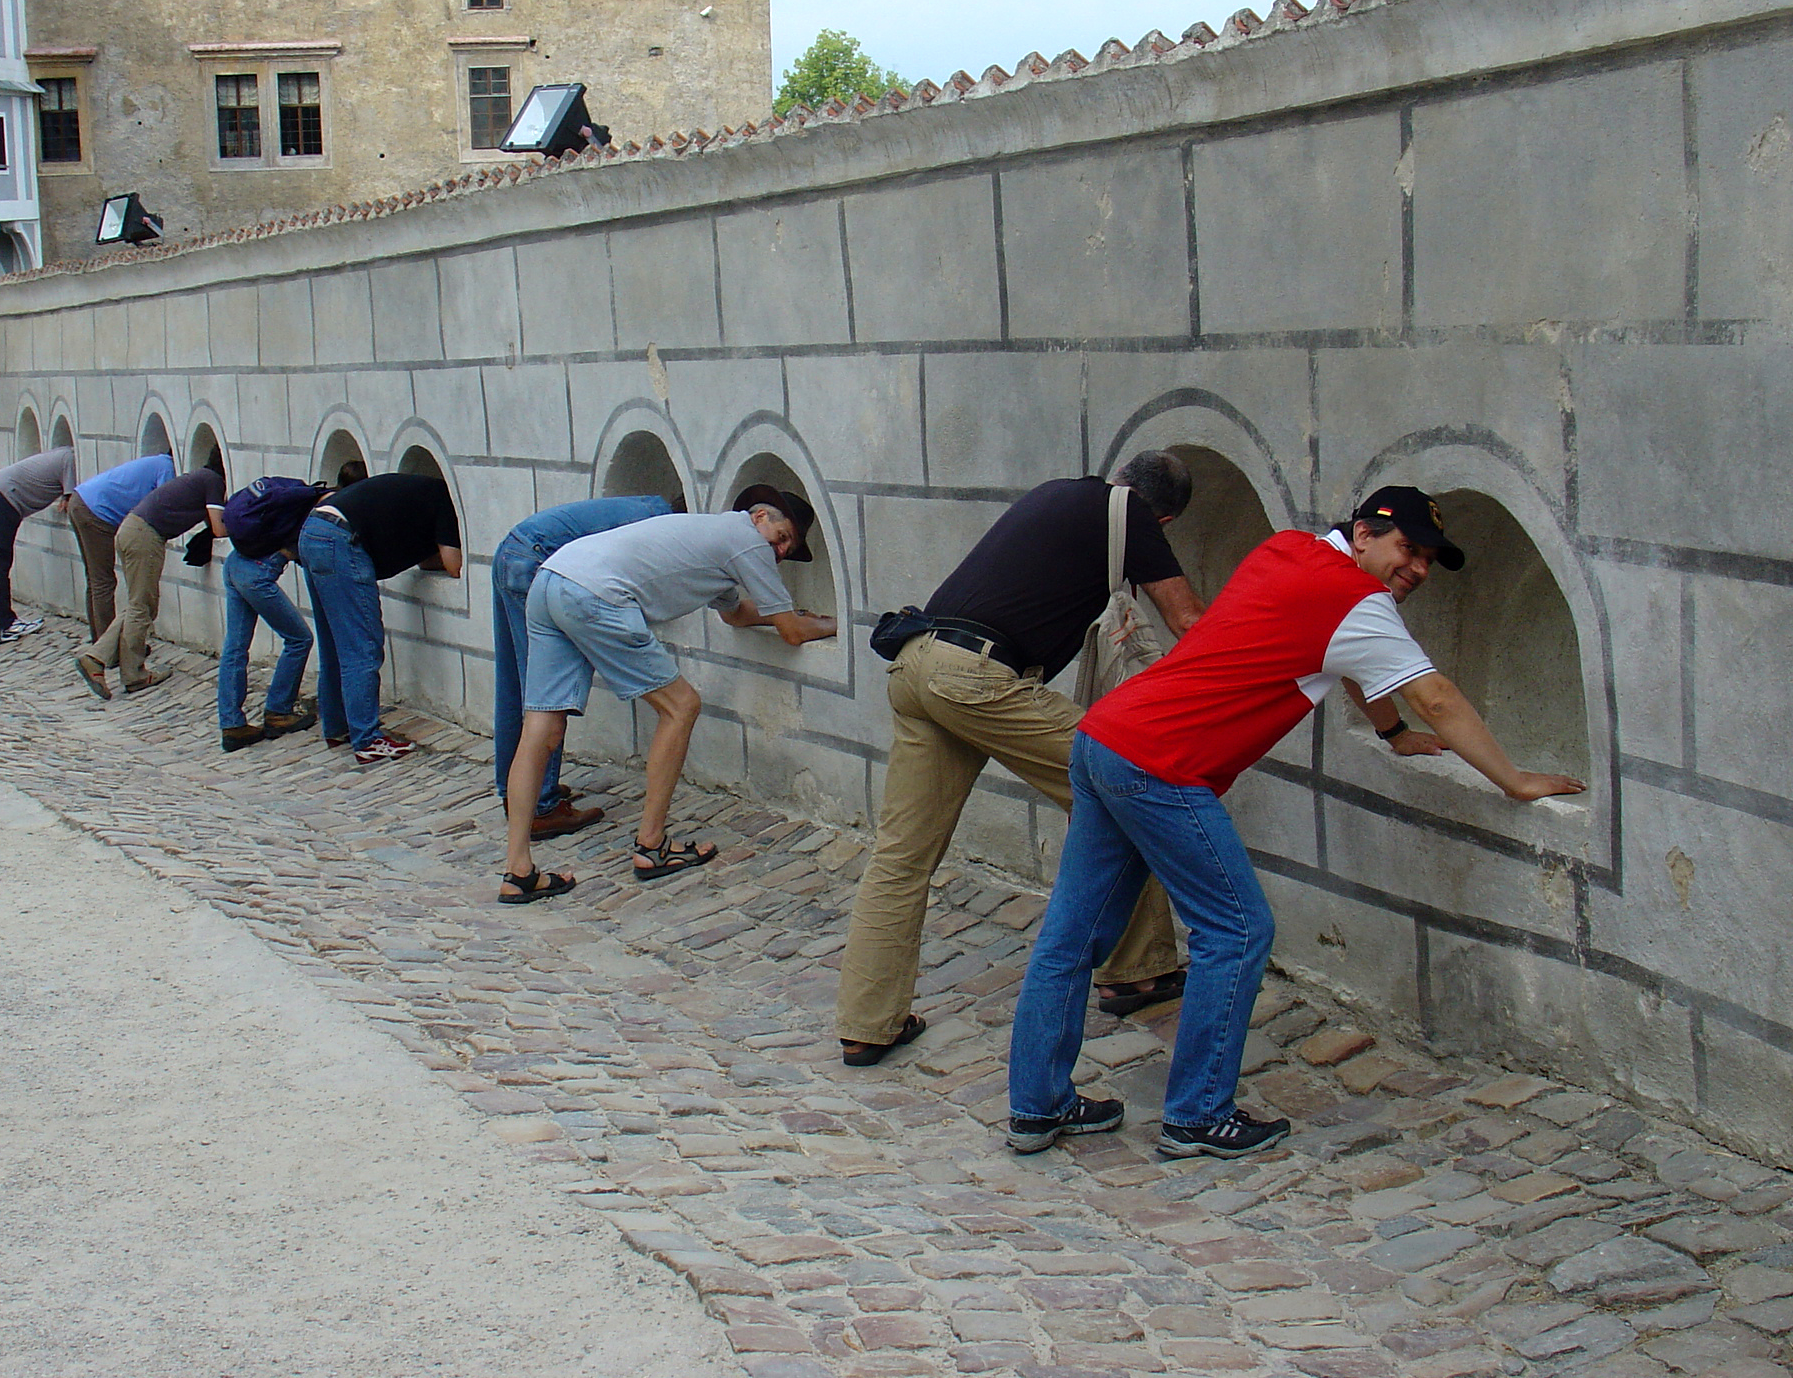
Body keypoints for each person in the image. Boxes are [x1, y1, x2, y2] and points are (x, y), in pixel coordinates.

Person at [1005, 486, 1586, 1159]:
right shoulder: (1358, 600)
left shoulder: (1289, 550)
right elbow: (1436, 697)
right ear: (1364, 534)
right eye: (1408, 549)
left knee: (1072, 936)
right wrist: (1515, 780)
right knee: (1237, 930)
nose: (1419, 568)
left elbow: (1350, 659)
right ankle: (1197, 1117)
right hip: (1161, 764)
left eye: (1429, 559)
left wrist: (1391, 731)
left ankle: (1036, 1107)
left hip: (1105, 739)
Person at [834, 454, 1206, 1067]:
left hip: (918, 661)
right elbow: (1188, 618)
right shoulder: (1130, 515)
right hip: (976, 677)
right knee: (1128, 780)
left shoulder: (1058, 493)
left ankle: (867, 1024)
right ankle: (1136, 970)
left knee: (901, 857)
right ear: (1163, 518)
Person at [499, 486, 837, 905]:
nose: (781, 552)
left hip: (552, 579)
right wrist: (836, 624)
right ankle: (652, 845)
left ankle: (518, 871)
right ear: (759, 517)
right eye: (783, 537)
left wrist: (792, 615)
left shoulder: (715, 537)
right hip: (596, 594)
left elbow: (735, 614)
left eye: (789, 548)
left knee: (542, 729)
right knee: (681, 706)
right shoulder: (749, 542)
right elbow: (791, 633)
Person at [492, 493, 679, 840]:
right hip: (538, 563)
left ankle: (514, 792)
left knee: (515, 684)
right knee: (547, 697)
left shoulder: (645, 507)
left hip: (513, 550)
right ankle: (540, 806)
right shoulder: (659, 523)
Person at [296, 470, 463, 765]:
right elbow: (453, 565)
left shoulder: (417, 491)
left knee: (334, 644)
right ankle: (368, 740)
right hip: (344, 540)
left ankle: (337, 727)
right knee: (362, 648)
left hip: (313, 530)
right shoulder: (442, 499)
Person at [210, 461, 366, 753]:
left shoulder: (307, 495)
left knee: (235, 648)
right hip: (258, 574)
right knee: (299, 639)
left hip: (235, 564)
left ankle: (232, 724)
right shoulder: (329, 506)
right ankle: (278, 711)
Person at [73, 461, 224, 698]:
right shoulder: (213, 480)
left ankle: (106, 662)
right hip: (146, 536)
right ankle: (122, 669)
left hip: (131, 529)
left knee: (137, 604)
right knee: (142, 607)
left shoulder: (196, 479)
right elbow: (219, 528)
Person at [67, 452, 175, 640]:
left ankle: (100, 641)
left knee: (95, 579)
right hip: (97, 512)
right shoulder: (167, 467)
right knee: (103, 581)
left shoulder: (156, 462)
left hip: (82, 499)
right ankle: (106, 646)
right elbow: (165, 506)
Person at [0, 445, 75, 644]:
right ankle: (3, 625)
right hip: (3, 498)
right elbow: (71, 501)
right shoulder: (70, 459)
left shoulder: (62, 454)